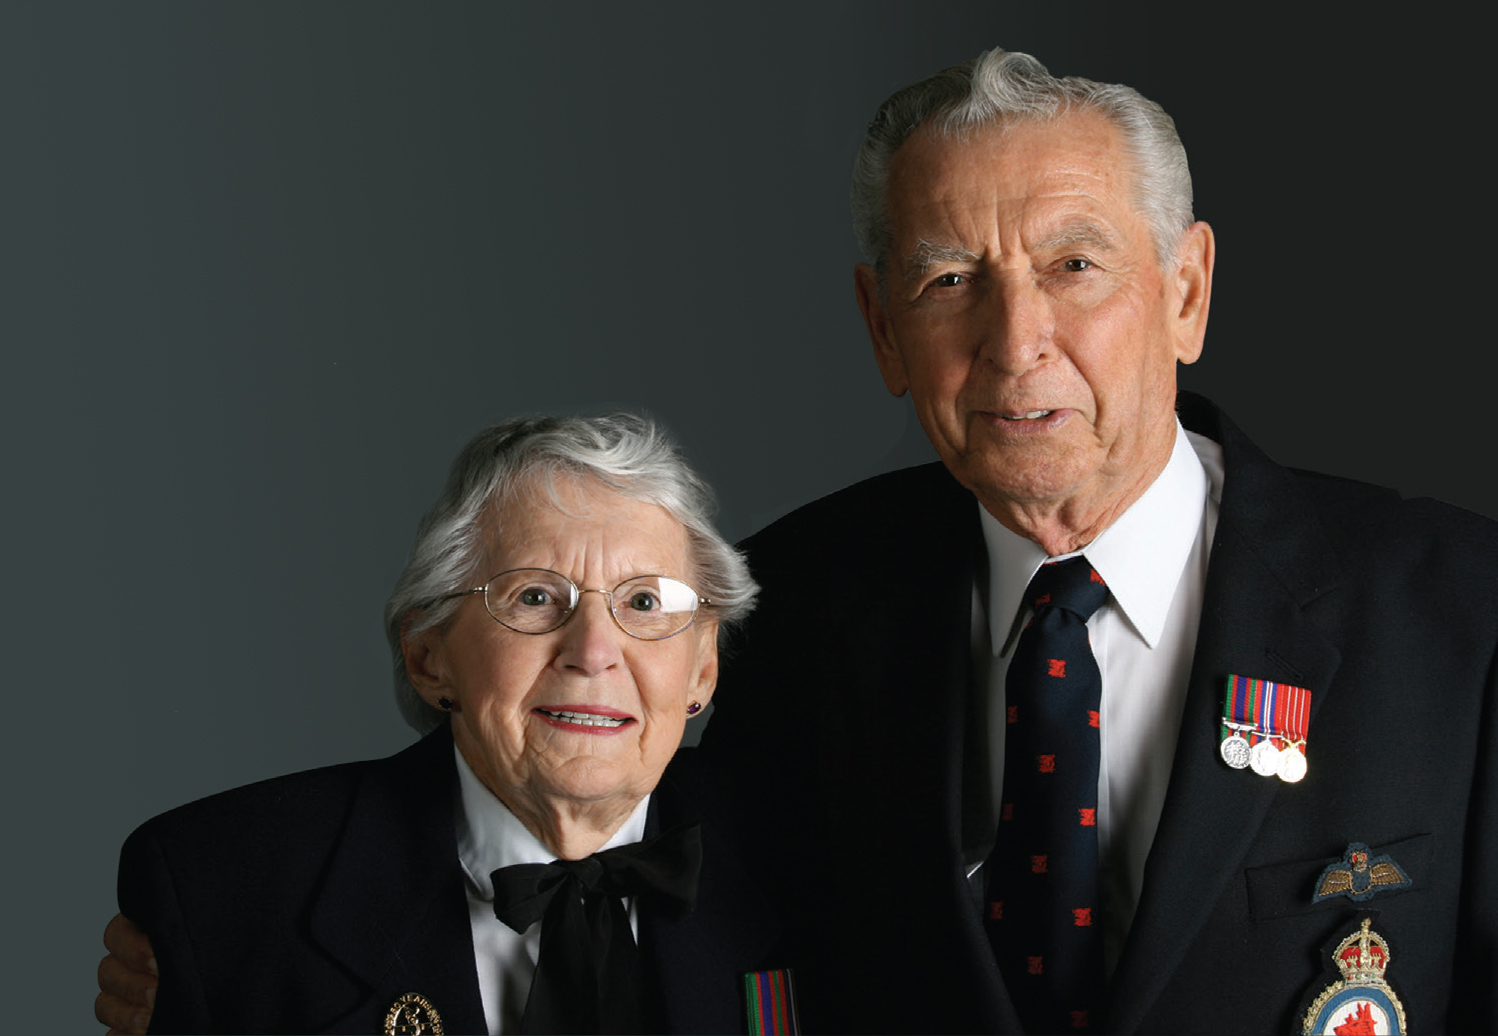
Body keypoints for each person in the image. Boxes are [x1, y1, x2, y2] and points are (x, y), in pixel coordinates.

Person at [100, 46, 1498, 1034]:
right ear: (882, 330)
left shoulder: (1452, 614)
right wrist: (240, 947)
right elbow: (577, 804)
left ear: (1183, 292)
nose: (1016, 342)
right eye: (949, 279)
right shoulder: (791, 607)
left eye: (1075, 266)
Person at [104, 414, 797, 1035]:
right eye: (533, 596)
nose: (592, 652)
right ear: (428, 657)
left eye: (644, 601)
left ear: (701, 671)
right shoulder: (227, 893)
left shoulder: (815, 855)